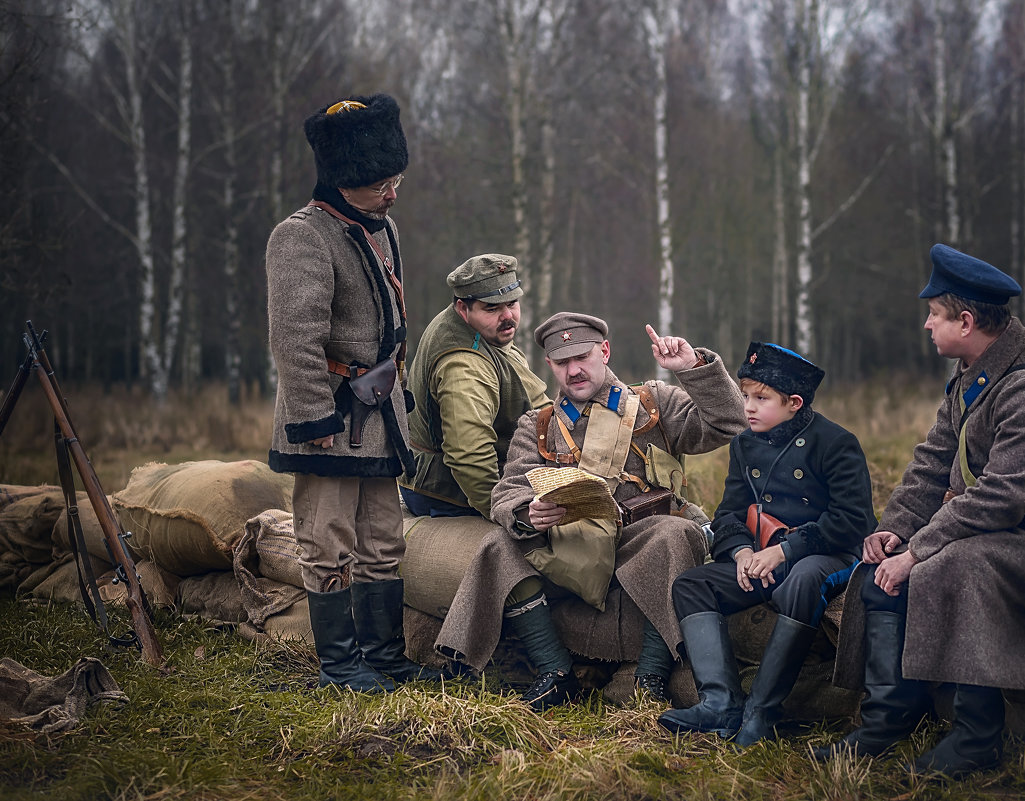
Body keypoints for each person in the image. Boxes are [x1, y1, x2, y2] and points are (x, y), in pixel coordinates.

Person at [816, 244, 1025, 776]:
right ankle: (889, 719)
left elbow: (1002, 497)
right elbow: (932, 464)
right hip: (993, 525)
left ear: (967, 320)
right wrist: (895, 531)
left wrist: (920, 550)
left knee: (953, 566)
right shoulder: (972, 373)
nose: (926, 326)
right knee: (876, 575)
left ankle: (977, 737)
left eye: (934, 316)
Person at [435, 313, 746, 709]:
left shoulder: (654, 403)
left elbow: (732, 423)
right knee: (499, 544)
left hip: (640, 542)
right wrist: (527, 513)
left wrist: (693, 370)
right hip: (573, 547)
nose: (574, 370)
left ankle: (649, 676)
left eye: (582, 356)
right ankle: (555, 673)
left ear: (605, 351)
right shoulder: (539, 424)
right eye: (562, 362)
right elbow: (508, 490)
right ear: (549, 365)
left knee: (674, 532)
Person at [266, 94, 440, 692]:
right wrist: (315, 419)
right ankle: (341, 666)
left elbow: (390, 324)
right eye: (378, 183)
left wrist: (398, 392)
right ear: (343, 180)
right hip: (329, 417)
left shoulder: (382, 227)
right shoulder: (301, 238)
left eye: (396, 180)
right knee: (326, 541)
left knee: (384, 539)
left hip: (379, 415)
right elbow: (295, 341)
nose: (392, 193)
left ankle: (384, 658)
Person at [659, 342, 875, 746]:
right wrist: (741, 552)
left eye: (761, 398)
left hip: (829, 555)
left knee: (803, 579)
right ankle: (720, 703)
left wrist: (783, 552)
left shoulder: (836, 443)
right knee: (692, 585)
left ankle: (762, 711)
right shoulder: (745, 443)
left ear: (794, 402)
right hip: (763, 557)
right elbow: (729, 513)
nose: (748, 407)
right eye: (744, 396)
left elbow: (853, 522)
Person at [400, 254, 551, 518]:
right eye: (492, 309)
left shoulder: (486, 331)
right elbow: (470, 457)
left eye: (512, 303)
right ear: (462, 308)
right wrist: (511, 513)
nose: (508, 317)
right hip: (446, 491)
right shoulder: (464, 366)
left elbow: (532, 396)